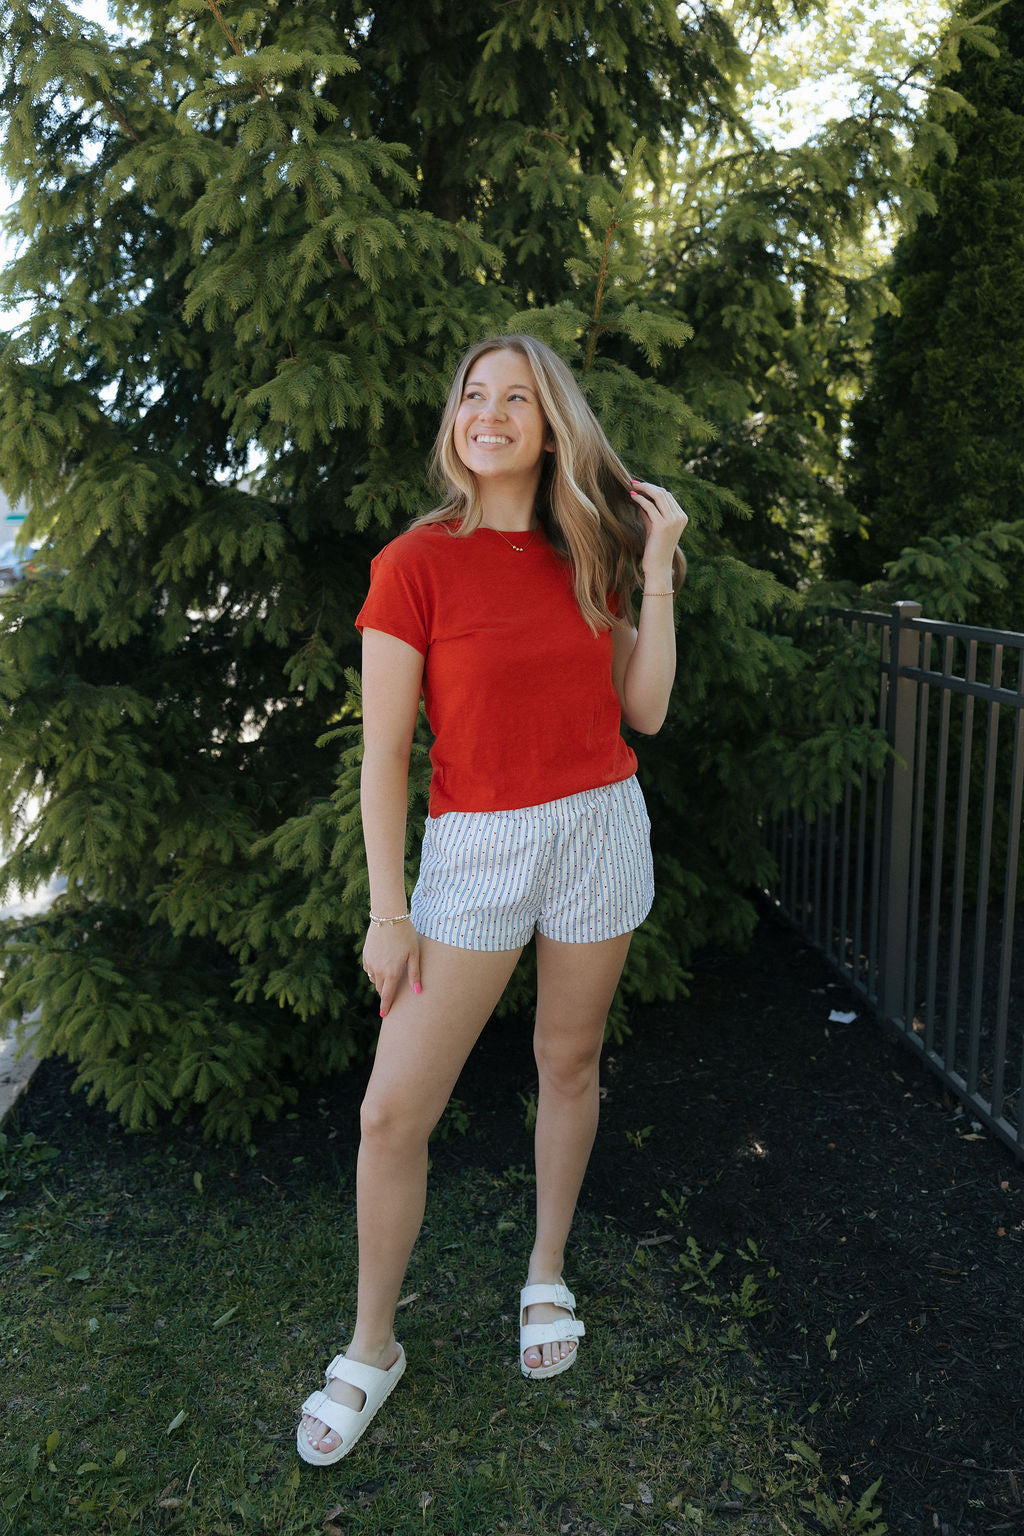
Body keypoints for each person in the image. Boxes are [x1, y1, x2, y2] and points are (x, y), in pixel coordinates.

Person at [296, 334, 687, 1465]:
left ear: (550, 425)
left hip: (598, 829)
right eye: (475, 395)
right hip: (475, 850)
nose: (491, 412)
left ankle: (545, 1272)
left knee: (568, 1060)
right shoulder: (414, 563)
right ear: (455, 420)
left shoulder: (591, 552)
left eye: (518, 397)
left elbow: (646, 711)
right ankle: (372, 1346)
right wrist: (388, 913)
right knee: (390, 1113)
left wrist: (657, 564)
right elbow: (383, 759)